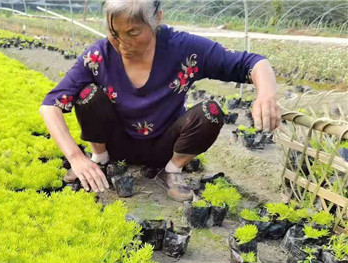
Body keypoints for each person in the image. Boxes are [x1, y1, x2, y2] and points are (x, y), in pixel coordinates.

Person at [39, 0, 281, 201]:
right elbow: (50, 105)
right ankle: (99, 159)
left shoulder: (182, 48)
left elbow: (252, 62)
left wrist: (266, 93)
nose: (122, 43)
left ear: (157, 20)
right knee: (87, 94)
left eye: (133, 32)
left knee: (211, 111)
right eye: (114, 33)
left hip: (164, 146)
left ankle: (173, 171)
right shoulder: (99, 55)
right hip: (116, 145)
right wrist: (75, 157)